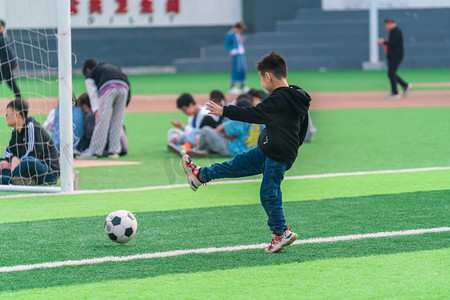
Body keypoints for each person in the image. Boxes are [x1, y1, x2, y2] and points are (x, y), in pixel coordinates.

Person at [182, 51, 311, 253]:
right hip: (269, 150)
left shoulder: (278, 99)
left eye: (260, 78)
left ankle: (281, 233)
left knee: (268, 193)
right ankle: (199, 175)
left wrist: (224, 111)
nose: (261, 83)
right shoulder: (296, 95)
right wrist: (292, 146)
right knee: (234, 165)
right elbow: (303, 128)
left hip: (276, 154)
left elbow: (254, 113)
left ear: (267, 76)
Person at [77, 59, 130, 159]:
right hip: (124, 88)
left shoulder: (90, 75)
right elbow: (126, 81)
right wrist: (126, 102)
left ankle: (94, 152)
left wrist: (96, 110)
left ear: (87, 69)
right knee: (117, 121)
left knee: (102, 121)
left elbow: (93, 95)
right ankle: (114, 151)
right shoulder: (114, 68)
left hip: (108, 87)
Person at [1, 99, 59, 185]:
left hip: (48, 173)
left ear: (16, 115)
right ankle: (20, 180)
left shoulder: (32, 127)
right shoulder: (15, 131)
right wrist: (12, 159)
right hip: (24, 169)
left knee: (29, 161)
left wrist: (10, 165)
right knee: (2, 162)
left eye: (7, 114)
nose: (5, 116)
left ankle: (8, 180)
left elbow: (32, 155)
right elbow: (7, 152)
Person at [187, 95, 264, 158]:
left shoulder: (240, 119)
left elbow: (220, 129)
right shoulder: (261, 121)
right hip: (252, 152)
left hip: (233, 150)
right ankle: (203, 149)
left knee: (205, 130)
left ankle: (198, 149)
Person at [378, 17, 412, 99]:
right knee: (391, 73)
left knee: (391, 73)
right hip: (393, 55)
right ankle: (405, 86)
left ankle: (395, 93)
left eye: (386, 25)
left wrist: (383, 42)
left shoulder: (396, 31)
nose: (386, 27)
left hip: (396, 55)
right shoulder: (393, 31)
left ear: (390, 24)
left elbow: (393, 42)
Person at [224, 22, 249, 94]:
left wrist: (242, 40)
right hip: (235, 54)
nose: (240, 32)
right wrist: (232, 49)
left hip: (241, 53)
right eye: (239, 30)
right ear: (236, 28)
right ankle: (232, 87)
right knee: (236, 69)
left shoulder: (238, 34)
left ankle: (243, 86)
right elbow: (226, 44)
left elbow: (238, 42)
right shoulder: (230, 34)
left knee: (242, 69)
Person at [0, 19, 21, 99]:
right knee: (11, 84)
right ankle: (19, 98)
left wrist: (14, 64)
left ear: (3, 27)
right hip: (3, 65)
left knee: (11, 84)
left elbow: (9, 52)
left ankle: (19, 99)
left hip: (5, 66)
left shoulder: (3, 38)